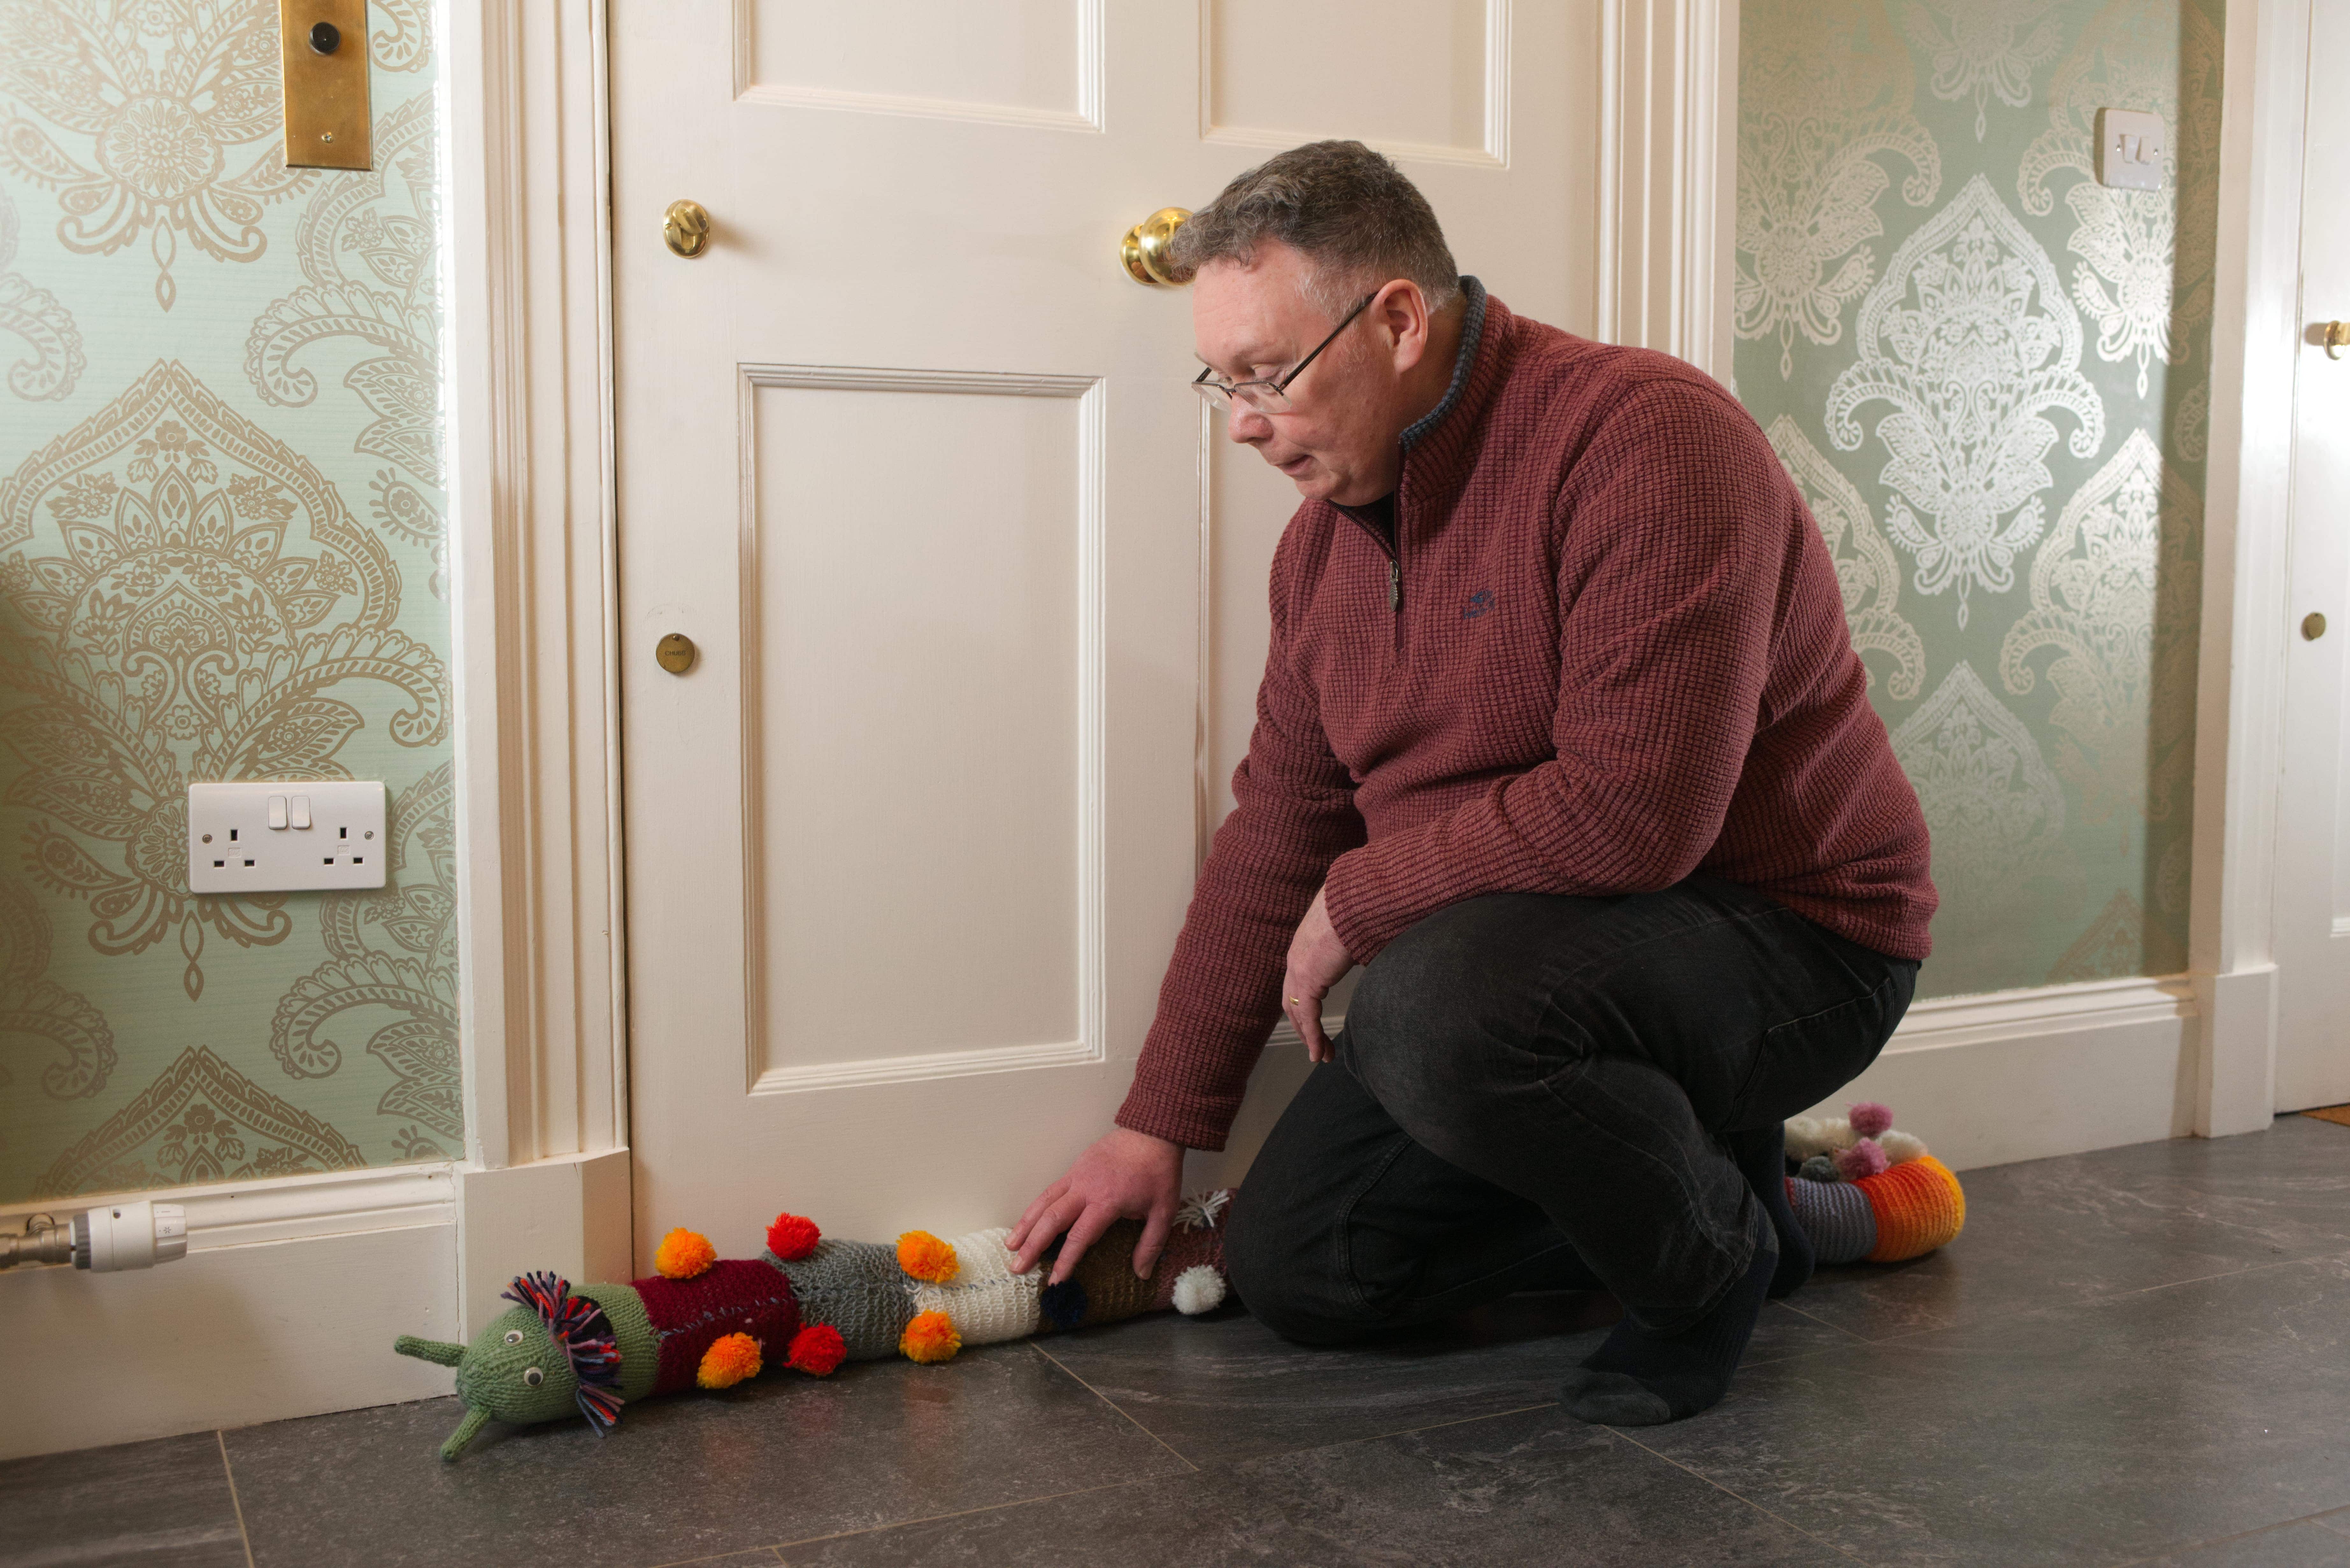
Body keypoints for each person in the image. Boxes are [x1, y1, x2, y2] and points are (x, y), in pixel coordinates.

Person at [1007, 140, 1934, 1425]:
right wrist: (1158, 1121)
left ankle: (1714, 1266)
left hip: (1789, 936)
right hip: (1525, 964)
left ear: (1396, 319)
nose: (1245, 424)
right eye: (1222, 382)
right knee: (1303, 1268)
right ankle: (1725, 1186)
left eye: (1271, 375)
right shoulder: (1317, 556)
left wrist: (1366, 899)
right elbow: (1281, 830)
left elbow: (1636, 811)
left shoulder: (1648, 439)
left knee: (1426, 1005)